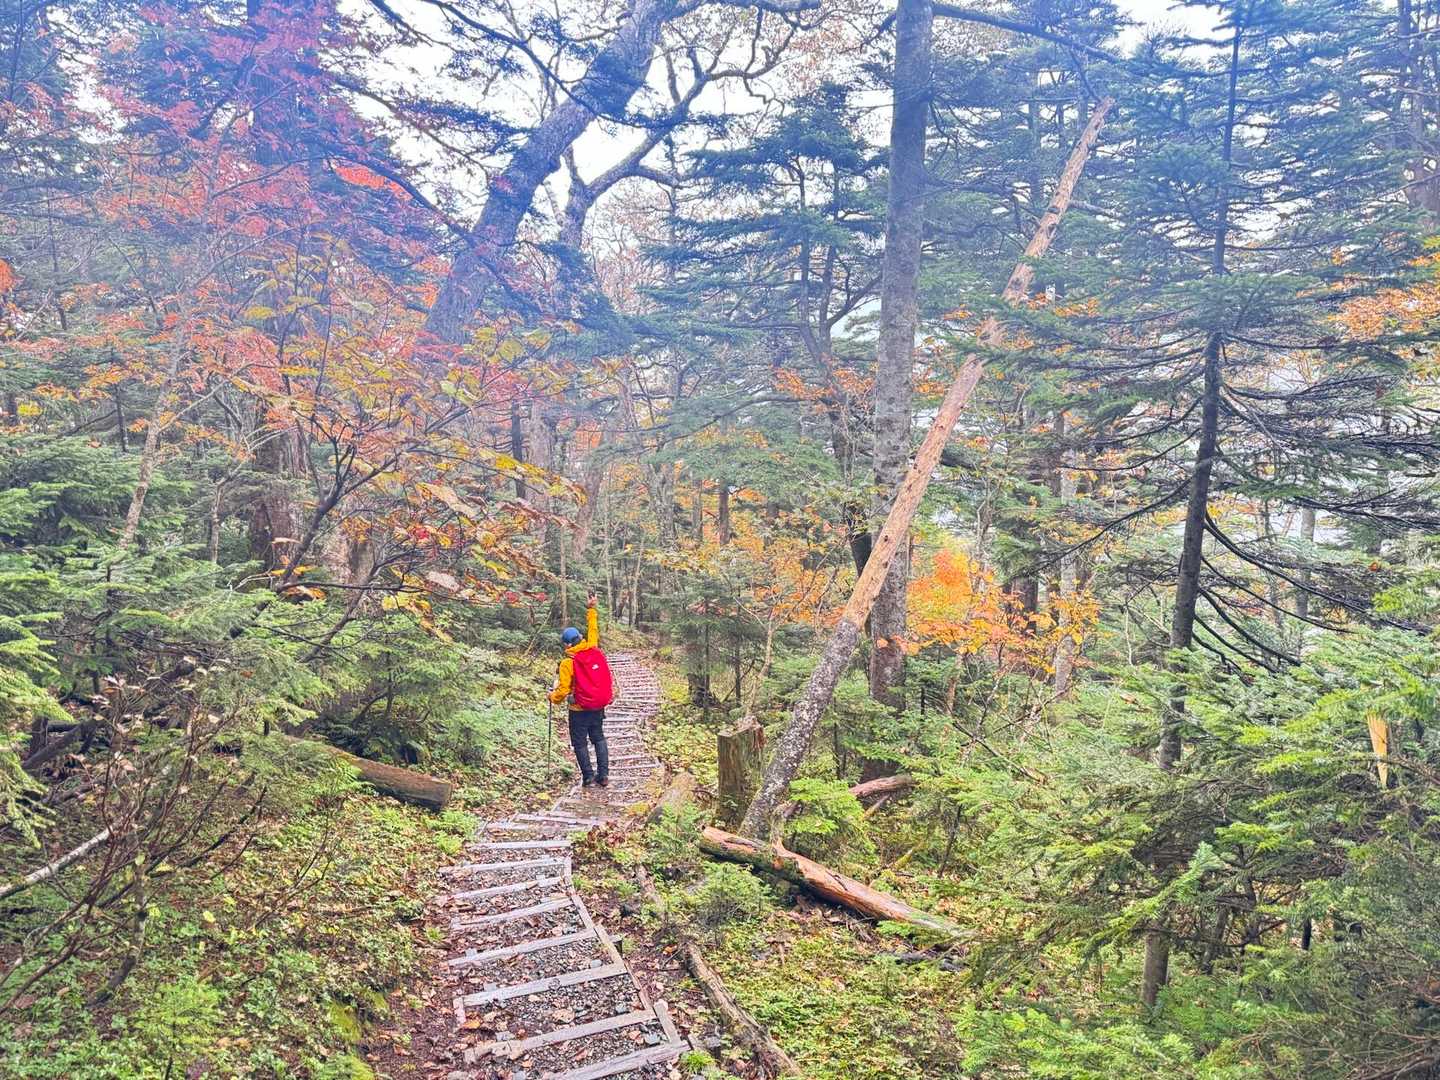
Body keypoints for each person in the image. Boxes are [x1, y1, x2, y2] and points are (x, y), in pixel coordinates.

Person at [549, 592, 610, 788]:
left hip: (578, 709)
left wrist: (552, 697)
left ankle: (588, 777)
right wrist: (591, 608)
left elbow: (563, 690)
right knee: (598, 737)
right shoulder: (592, 647)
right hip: (597, 705)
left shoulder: (567, 663)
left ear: (567, 644)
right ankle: (603, 775)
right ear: (580, 638)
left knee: (580, 742)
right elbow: (593, 629)